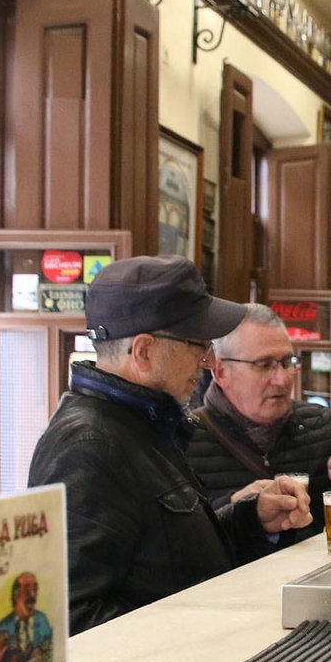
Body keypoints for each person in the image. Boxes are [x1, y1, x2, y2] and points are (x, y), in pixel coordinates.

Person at [28, 256, 312, 634]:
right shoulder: (89, 447)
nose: (208, 360)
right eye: (198, 344)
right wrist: (194, 632)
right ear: (144, 352)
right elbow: (70, 620)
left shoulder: (145, 424)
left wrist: (250, 520)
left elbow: (167, 560)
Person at [186, 304, 331, 547]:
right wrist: (235, 510)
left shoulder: (315, 423)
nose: (282, 379)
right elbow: (176, 544)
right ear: (221, 372)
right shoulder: (185, 439)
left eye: (287, 362)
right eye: (264, 365)